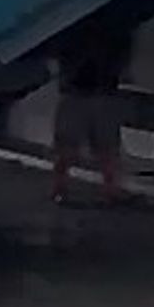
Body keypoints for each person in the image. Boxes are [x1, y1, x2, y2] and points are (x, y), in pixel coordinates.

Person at [52, 30, 133, 205]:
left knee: (77, 145)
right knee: (97, 145)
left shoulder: (75, 29)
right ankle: (107, 189)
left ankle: (62, 187)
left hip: (84, 89)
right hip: (91, 90)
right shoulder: (114, 30)